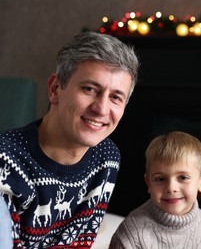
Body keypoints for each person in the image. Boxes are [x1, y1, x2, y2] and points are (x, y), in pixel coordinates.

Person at [0, 31, 139, 248]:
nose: (101, 109)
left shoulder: (108, 158)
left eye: (115, 97)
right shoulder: (5, 162)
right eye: (90, 89)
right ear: (55, 90)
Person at [109, 131, 201, 249]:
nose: (171, 188)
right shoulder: (131, 235)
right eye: (160, 179)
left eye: (183, 177)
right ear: (149, 183)